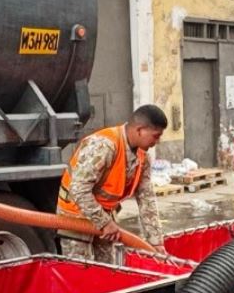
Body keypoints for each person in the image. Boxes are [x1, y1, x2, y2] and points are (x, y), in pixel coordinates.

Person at [56, 105, 167, 264]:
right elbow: (78, 189)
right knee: (79, 273)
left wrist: (156, 242)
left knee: (107, 269)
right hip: (75, 215)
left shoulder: (143, 157)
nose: (157, 142)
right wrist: (105, 222)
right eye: (156, 136)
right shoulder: (104, 145)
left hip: (104, 215)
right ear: (140, 130)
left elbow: (147, 200)